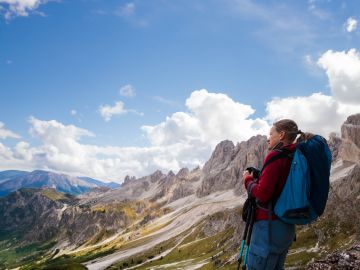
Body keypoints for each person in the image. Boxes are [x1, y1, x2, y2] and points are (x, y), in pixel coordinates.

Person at [242, 119, 302, 270]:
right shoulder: (295, 154)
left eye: (271, 134)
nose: (268, 138)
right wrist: (260, 176)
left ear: (281, 135)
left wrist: (248, 180)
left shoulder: (275, 156)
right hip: (286, 226)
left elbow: (263, 194)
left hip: (268, 229)